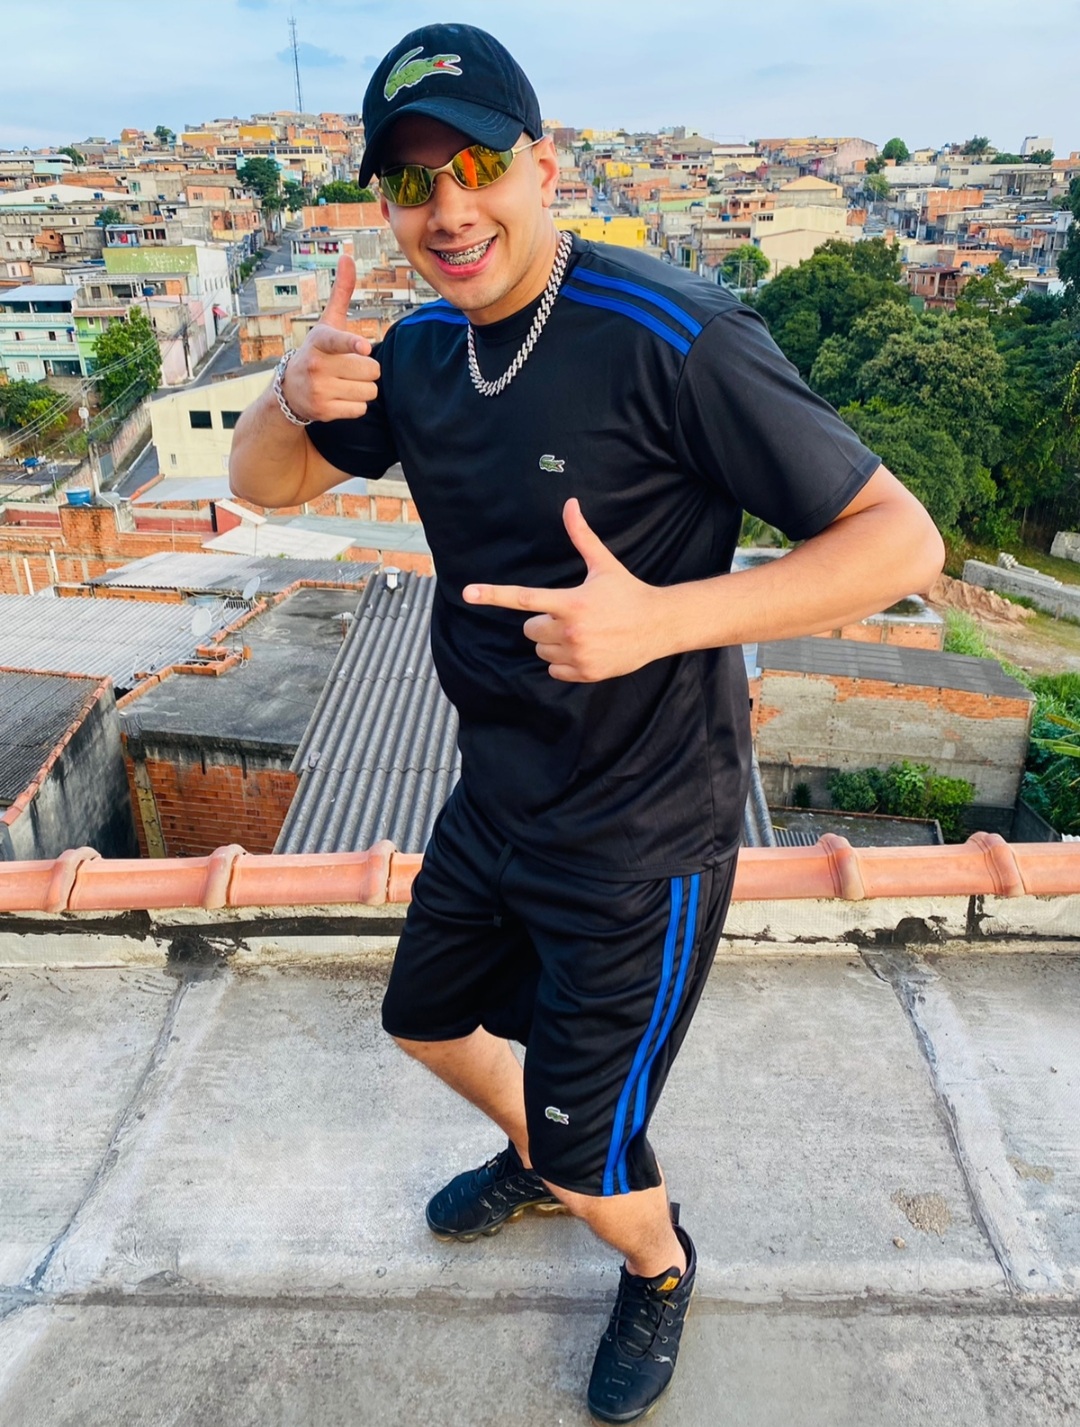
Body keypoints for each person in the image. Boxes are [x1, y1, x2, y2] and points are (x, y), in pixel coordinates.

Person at [230, 22, 943, 1421]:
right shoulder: (420, 352)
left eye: (478, 166)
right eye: (411, 182)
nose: (448, 210)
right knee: (424, 1020)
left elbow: (900, 541)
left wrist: (663, 619)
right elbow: (267, 485)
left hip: (643, 831)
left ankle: (657, 1262)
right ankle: (552, 1157)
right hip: (496, 794)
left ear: (545, 166)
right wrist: (284, 391)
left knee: (596, 1147)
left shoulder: (677, 336)